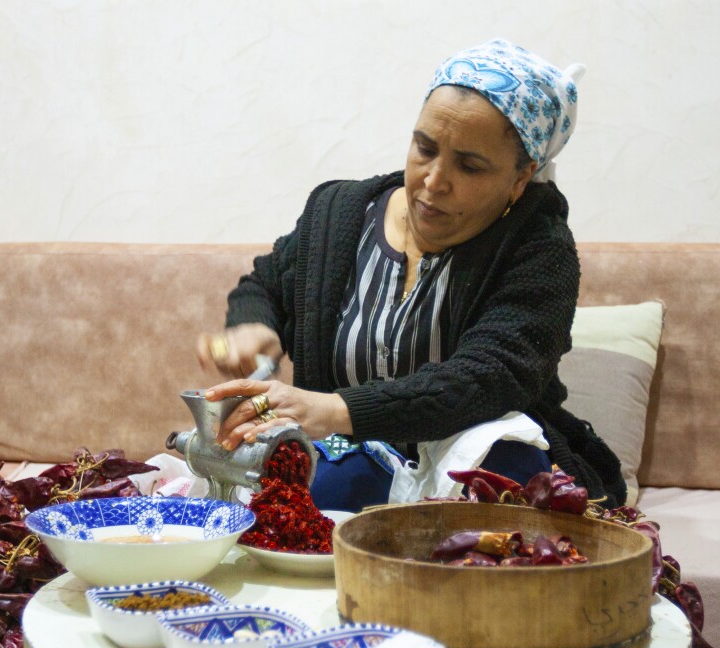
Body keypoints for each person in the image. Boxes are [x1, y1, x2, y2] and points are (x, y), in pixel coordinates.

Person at [196, 39, 625, 511]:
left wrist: (335, 410)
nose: (434, 180)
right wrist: (256, 325)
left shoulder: (540, 251)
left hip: (468, 465)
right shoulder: (340, 213)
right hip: (346, 458)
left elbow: (487, 379)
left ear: (520, 178)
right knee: (313, 478)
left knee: (500, 472)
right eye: (425, 148)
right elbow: (267, 284)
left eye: (469, 165)